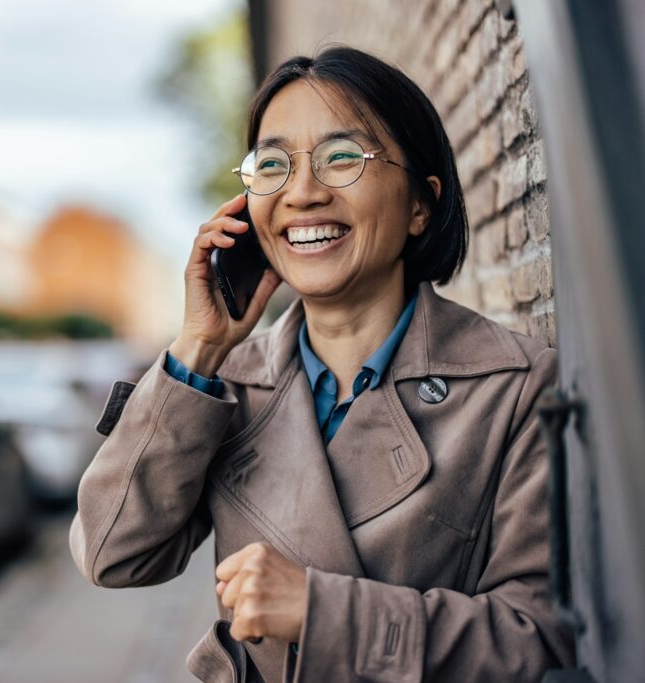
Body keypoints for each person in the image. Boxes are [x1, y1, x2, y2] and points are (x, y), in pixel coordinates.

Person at [69, 46, 574, 682]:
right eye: (273, 166)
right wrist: (198, 347)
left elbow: (538, 641)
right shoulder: (225, 386)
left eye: (341, 158)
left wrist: (322, 611)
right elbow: (114, 554)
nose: (302, 194)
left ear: (422, 203)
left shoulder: (516, 387)